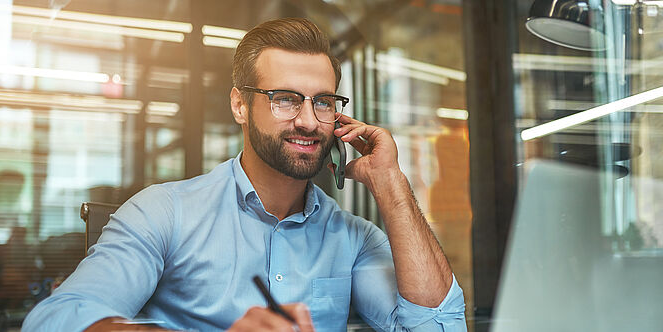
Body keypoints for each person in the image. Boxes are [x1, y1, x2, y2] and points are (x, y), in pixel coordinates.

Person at [23, 18, 465, 332]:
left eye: (323, 102)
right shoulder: (165, 213)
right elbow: (56, 319)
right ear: (240, 105)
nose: (309, 121)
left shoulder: (353, 239)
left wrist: (391, 182)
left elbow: (436, 327)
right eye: (285, 99)